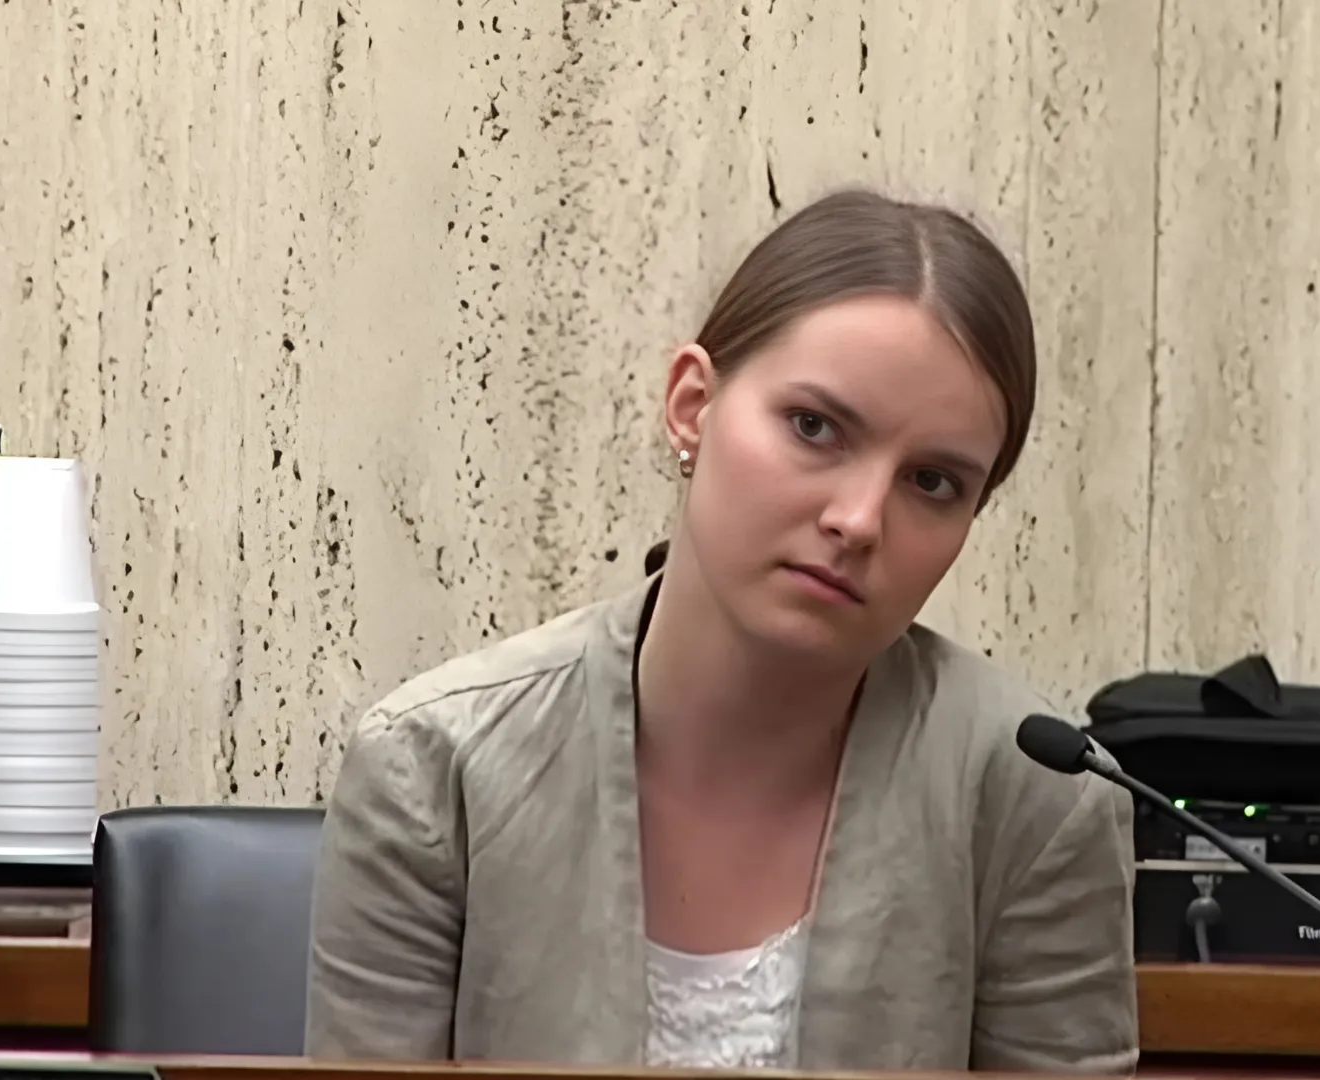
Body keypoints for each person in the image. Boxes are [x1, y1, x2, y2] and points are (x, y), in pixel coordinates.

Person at [303, 189, 1139, 1072]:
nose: (858, 519)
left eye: (932, 483)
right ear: (693, 405)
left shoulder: (1037, 801)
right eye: (815, 428)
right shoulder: (435, 769)